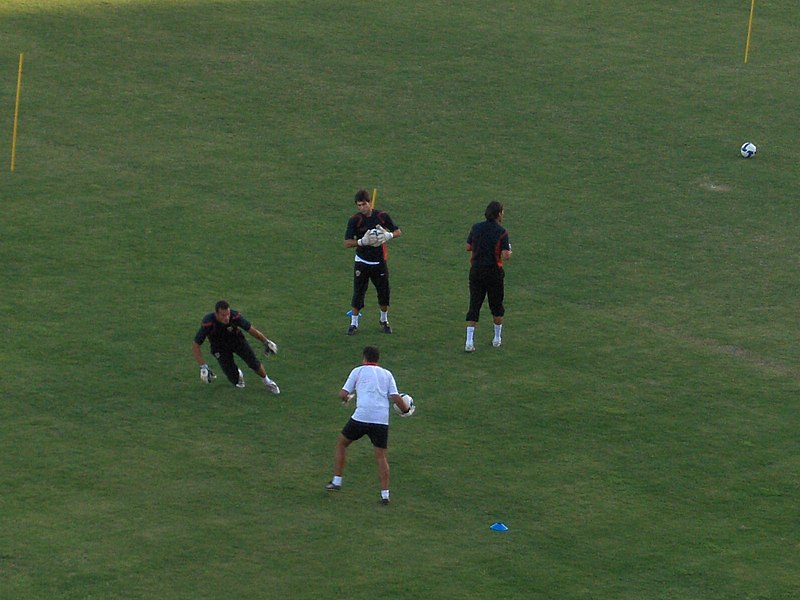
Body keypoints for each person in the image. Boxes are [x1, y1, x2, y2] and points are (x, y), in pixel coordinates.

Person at [326, 345, 413, 505]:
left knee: (342, 443)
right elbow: (395, 397)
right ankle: (385, 495)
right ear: (377, 360)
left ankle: (337, 481)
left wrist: (346, 398)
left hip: (361, 416)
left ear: (364, 358)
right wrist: (406, 410)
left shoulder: (357, 371)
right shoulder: (387, 374)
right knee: (381, 456)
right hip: (381, 419)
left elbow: (342, 394)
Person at [343, 189, 402, 336]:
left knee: (383, 294)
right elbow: (347, 242)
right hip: (362, 261)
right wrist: (361, 241)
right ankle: (354, 323)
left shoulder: (382, 216)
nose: (362, 208)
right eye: (359, 205)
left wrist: (388, 236)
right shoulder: (355, 220)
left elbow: (398, 231)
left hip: (379, 262)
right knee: (358, 293)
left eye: (364, 204)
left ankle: (384, 320)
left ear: (370, 202)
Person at [192, 300, 281, 393]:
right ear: (216, 314)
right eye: (223, 315)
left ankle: (267, 381)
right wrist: (203, 366)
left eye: (228, 314)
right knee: (233, 377)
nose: (226, 317)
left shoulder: (234, 316)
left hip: (237, 341)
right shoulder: (208, 322)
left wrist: (266, 341)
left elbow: (250, 329)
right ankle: (238, 375)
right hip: (219, 347)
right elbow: (196, 345)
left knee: (253, 362)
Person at [464, 201, 512, 352]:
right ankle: (497, 338)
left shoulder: (476, 228)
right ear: (498, 214)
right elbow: (505, 256)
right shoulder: (502, 232)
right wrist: (509, 251)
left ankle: (469, 342)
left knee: (474, 305)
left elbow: (468, 246)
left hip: (476, 271)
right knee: (496, 305)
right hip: (493, 273)